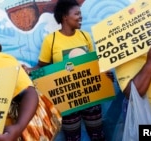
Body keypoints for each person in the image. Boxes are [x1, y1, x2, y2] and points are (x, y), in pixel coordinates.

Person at [22, 0, 106, 140]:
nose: (80, 17)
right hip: (67, 100)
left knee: (98, 135)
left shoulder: (85, 36)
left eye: (81, 14)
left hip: (90, 96)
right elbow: (42, 66)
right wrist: (29, 70)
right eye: (77, 13)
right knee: (72, 137)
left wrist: (104, 73)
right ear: (64, 17)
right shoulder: (51, 40)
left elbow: (94, 63)